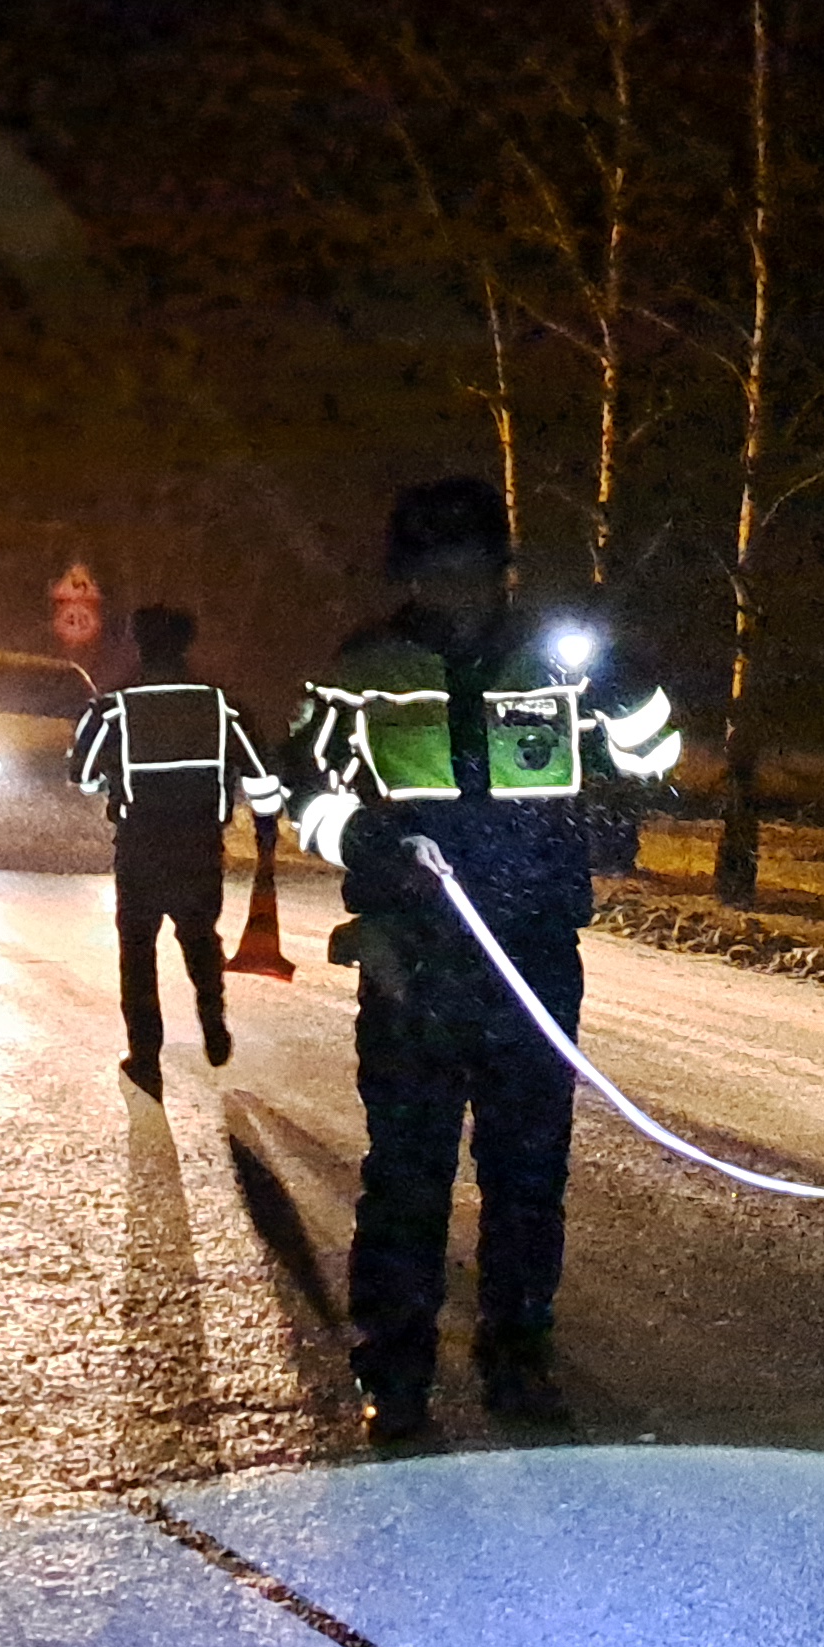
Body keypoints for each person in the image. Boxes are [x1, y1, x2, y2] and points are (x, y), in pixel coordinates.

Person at [285, 476, 678, 1436]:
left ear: (500, 569)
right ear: (409, 573)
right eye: (435, 569)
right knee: (408, 1175)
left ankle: (517, 1362)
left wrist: (627, 685)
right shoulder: (365, 665)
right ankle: (397, 1373)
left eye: (471, 568)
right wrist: (362, 839)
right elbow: (294, 786)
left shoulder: (561, 660)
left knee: (527, 1175)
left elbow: (658, 759)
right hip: (411, 959)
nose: (454, 586)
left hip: (531, 953)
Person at [71, 603, 286, 1095]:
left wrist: (114, 779)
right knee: (199, 937)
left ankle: (145, 1058)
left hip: (140, 848)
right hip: (198, 847)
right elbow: (260, 775)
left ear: (140, 646)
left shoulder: (112, 708)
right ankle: (213, 1020)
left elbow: (81, 777)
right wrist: (266, 828)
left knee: (137, 953)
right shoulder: (222, 708)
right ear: (187, 646)